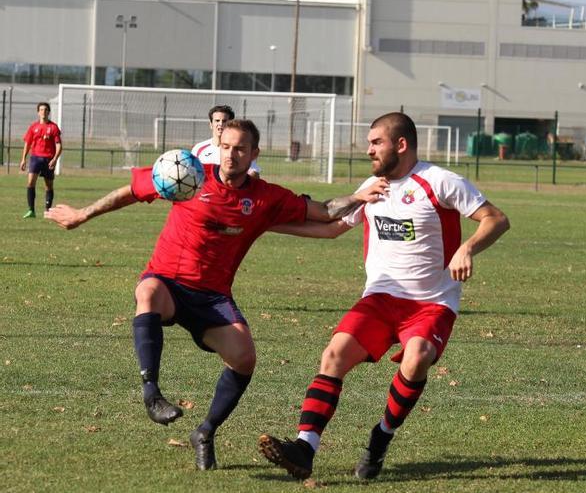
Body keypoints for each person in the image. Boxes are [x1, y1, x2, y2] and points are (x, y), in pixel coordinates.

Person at [45, 119, 388, 471]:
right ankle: (152, 394)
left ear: (254, 153)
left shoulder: (265, 197)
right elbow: (132, 190)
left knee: (244, 357)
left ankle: (205, 432)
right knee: (147, 292)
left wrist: (359, 197)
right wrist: (81, 214)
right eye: (226, 146)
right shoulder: (189, 174)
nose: (231, 155)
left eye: (240, 149)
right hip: (169, 282)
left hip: (212, 298)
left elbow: (324, 211)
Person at [257, 112, 510, 480]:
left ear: (401, 144)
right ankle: (305, 447)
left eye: (376, 142)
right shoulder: (373, 186)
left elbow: (496, 219)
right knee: (335, 354)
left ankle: (381, 437)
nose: (369, 149)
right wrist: (263, 223)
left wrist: (467, 248)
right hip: (380, 298)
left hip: (431, 302)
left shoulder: (439, 181)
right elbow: (330, 229)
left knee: (417, 357)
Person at [192, 105, 262, 178]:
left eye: (224, 121)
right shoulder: (198, 148)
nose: (220, 124)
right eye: (217, 120)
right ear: (211, 124)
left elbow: (254, 173)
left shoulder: (238, 148)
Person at [20, 102, 62, 218]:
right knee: (30, 182)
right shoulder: (33, 127)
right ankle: (31, 210)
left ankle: (48, 211)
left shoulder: (53, 127)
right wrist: (23, 159)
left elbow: (59, 145)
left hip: (48, 159)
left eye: (46, 110)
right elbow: (27, 144)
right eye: (41, 110)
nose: (43, 112)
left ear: (49, 112)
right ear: (38, 112)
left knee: (48, 186)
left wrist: (55, 159)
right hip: (35, 158)